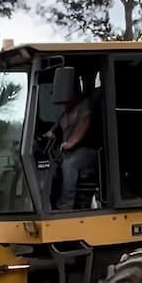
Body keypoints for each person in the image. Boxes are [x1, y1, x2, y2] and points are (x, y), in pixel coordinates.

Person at [54, 82, 100, 211]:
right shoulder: (64, 114)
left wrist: (70, 143)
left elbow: (84, 123)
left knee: (70, 164)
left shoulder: (83, 106)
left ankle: (66, 205)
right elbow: (55, 129)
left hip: (89, 151)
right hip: (71, 152)